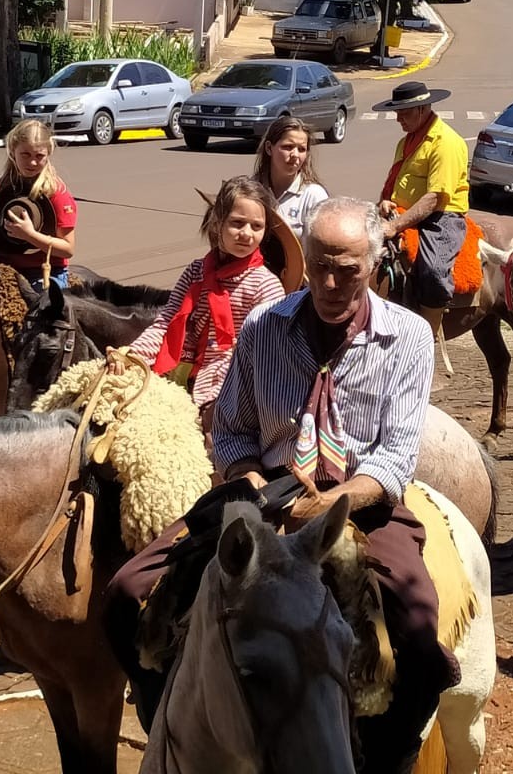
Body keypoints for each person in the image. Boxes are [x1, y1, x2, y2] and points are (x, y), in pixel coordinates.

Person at [104, 197, 456, 774]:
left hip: (357, 499)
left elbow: (394, 458)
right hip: (263, 492)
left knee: (416, 638)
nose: (331, 282)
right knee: (125, 594)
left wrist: (332, 503)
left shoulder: (409, 337)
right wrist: (250, 486)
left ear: (374, 264)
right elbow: (235, 432)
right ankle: (167, 721)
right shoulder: (266, 326)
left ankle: (388, 756)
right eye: (319, 265)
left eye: (348, 270)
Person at [128, 176, 291, 429]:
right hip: (179, 374)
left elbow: (266, 352)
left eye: (256, 227)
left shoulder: (265, 286)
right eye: (237, 223)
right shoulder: (196, 272)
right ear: (218, 224)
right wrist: (132, 355)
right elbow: (166, 323)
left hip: (231, 388)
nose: (246, 234)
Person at [373, 81, 469, 339]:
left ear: (423, 108)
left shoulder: (446, 143)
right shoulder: (406, 142)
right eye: (397, 112)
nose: (398, 119)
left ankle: (427, 338)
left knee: (434, 271)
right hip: (404, 212)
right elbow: (394, 181)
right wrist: (385, 200)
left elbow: (434, 198)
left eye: (404, 113)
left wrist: (395, 225)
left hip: (441, 217)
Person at [0, 119, 77, 292]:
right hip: (7, 268)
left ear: (49, 154)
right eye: (25, 154)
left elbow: (68, 249)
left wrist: (29, 235)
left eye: (39, 156)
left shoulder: (56, 192)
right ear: (13, 151)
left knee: (40, 313)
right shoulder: (4, 186)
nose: (32, 162)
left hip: (46, 271)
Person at [253, 114, 328, 233]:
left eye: (301, 149)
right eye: (288, 147)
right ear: (269, 148)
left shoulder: (313, 196)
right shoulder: (252, 191)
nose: (295, 155)